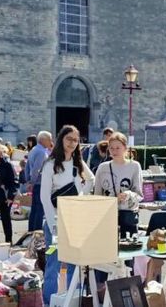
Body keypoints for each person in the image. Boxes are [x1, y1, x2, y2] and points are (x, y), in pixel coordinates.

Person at [40, 125, 94, 304]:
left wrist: (81, 198)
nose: (72, 143)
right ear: (61, 139)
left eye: (75, 140)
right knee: (53, 264)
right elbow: (44, 197)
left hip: (74, 219)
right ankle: (49, 301)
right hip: (55, 220)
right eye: (69, 139)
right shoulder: (50, 164)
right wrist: (53, 224)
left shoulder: (78, 162)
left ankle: (73, 301)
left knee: (74, 264)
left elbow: (91, 179)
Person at [94, 132, 142, 237]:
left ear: (125, 148)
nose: (114, 151)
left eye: (118, 148)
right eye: (111, 148)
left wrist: (128, 195)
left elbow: (139, 194)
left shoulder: (134, 166)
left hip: (128, 215)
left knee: (128, 245)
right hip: (107, 215)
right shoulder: (102, 168)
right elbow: (97, 195)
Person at [26, 131, 52, 231]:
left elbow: (27, 167)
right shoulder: (41, 152)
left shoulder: (33, 150)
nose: (51, 142)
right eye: (49, 139)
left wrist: (29, 181)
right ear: (43, 140)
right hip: (40, 183)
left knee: (34, 208)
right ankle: (37, 231)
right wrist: (32, 182)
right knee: (40, 208)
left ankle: (31, 230)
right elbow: (36, 169)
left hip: (35, 183)